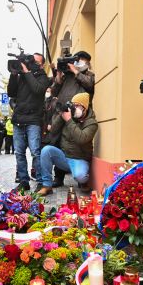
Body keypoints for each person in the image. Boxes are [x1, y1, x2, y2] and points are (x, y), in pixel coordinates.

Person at [37, 92, 98, 196]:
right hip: (64, 157)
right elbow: (53, 130)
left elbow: (81, 139)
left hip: (80, 159)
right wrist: (62, 115)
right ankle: (47, 185)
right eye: (73, 105)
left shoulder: (91, 123)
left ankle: (83, 182)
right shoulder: (68, 117)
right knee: (46, 150)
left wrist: (69, 120)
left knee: (81, 176)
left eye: (77, 105)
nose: (75, 108)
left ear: (85, 108)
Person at [51, 51, 95, 187]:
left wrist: (76, 71)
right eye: (77, 61)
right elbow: (54, 90)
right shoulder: (67, 76)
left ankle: (82, 178)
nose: (79, 63)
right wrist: (58, 73)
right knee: (58, 143)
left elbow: (89, 85)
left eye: (82, 61)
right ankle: (58, 178)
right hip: (63, 113)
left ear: (87, 63)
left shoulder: (89, 75)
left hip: (79, 116)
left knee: (78, 144)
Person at [7, 52, 49, 190]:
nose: (32, 64)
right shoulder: (21, 76)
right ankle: (24, 181)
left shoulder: (43, 77)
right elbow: (11, 93)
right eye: (31, 61)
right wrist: (13, 75)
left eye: (35, 62)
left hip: (33, 120)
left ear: (41, 64)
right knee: (19, 152)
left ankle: (41, 181)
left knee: (35, 152)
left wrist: (26, 72)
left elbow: (37, 90)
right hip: (19, 118)